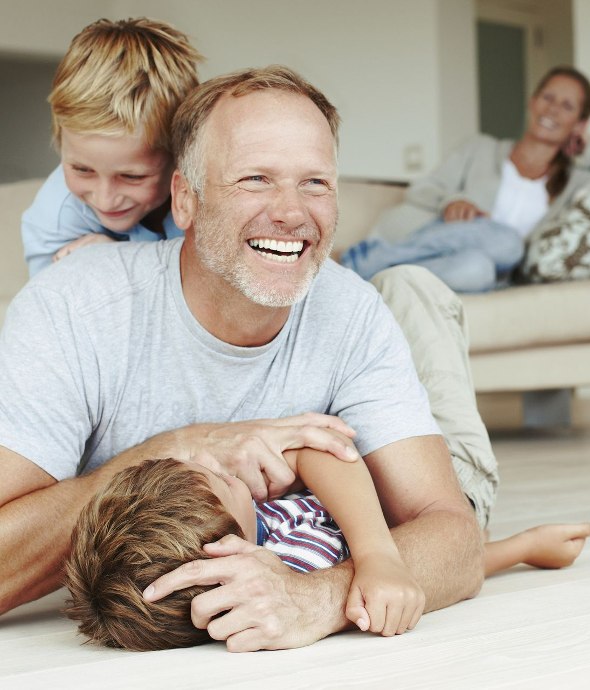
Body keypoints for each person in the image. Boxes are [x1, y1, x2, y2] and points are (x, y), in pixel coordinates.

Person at [0, 66, 491, 652]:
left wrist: (315, 597)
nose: (290, 212)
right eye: (255, 179)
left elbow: (458, 538)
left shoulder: (351, 312)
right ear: (184, 198)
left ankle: (415, 294)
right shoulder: (76, 307)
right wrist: (174, 449)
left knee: (412, 293)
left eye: (315, 183)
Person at [65, 455, 590, 651]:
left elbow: (313, 450)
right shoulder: (301, 560)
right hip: (443, 505)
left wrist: (376, 553)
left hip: (395, 502)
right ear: (227, 549)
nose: (233, 468)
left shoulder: (261, 525)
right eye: (226, 480)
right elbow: (425, 574)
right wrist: (524, 547)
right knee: (418, 291)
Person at [339, 66, 590, 292]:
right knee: (506, 242)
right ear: (532, 101)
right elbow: (423, 190)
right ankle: (369, 260)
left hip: (477, 269)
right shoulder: (479, 148)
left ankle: (372, 273)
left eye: (567, 106)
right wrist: (454, 202)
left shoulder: (577, 181)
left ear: (579, 122)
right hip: (430, 239)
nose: (552, 110)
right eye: (548, 98)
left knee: (481, 267)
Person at [21, 17, 202, 276]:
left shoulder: (207, 196)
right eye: (82, 170)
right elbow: (51, 307)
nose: (105, 199)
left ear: (181, 156)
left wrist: (119, 257)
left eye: (132, 176)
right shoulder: (56, 216)